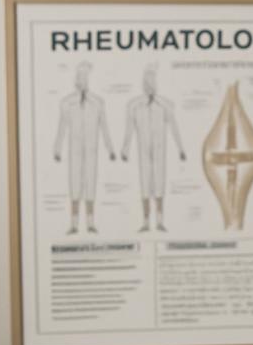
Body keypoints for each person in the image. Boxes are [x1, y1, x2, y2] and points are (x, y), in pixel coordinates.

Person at [121, 66, 186, 232]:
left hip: (159, 149)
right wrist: (125, 149)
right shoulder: (134, 106)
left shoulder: (165, 105)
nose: (149, 86)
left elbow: (174, 127)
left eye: (152, 82)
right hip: (143, 149)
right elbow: (129, 129)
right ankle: (145, 222)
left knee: (159, 184)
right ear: (143, 84)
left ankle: (159, 221)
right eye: (146, 82)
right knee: (145, 183)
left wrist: (180, 148)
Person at [53, 63, 115, 234]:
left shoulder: (98, 103)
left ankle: (90, 223)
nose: (82, 81)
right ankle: (73, 224)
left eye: (84, 77)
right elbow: (62, 126)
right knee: (74, 185)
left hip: (92, 151)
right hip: (74, 151)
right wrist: (57, 148)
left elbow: (104, 127)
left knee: (90, 185)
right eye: (79, 77)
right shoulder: (67, 103)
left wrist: (110, 149)